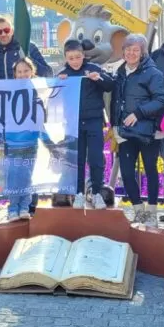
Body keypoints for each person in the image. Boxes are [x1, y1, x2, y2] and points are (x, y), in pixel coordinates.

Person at [111, 34, 164, 226]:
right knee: (127, 172)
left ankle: (151, 211)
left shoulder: (153, 73)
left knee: (150, 170)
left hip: (147, 132)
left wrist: (139, 113)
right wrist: (114, 124)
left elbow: (160, 99)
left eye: (136, 50)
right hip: (125, 132)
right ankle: (138, 210)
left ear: (143, 52)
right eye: (128, 49)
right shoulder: (120, 72)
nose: (131, 53)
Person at [57, 39, 114, 209]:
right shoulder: (63, 74)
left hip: (94, 121)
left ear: (83, 55)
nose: (75, 61)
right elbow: (54, 97)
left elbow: (110, 85)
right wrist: (59, 83)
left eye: (78, 57)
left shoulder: (94, 69)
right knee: (77, 160)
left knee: (96, 159)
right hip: (73, 123)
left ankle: (97, 193)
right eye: (71, 58)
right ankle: (78, 194)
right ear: (66, 58)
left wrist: (99, 79)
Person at [3, 58, 43, 220]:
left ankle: (24, 207)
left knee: (27, 176)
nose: (22, 74)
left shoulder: (39, 89)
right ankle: (13, 209)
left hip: (31, 141)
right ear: (14, 74)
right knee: (13, 176)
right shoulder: (8, 90)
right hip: (12, 141)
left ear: (32, 71)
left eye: (26, 71)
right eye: (19, 72)